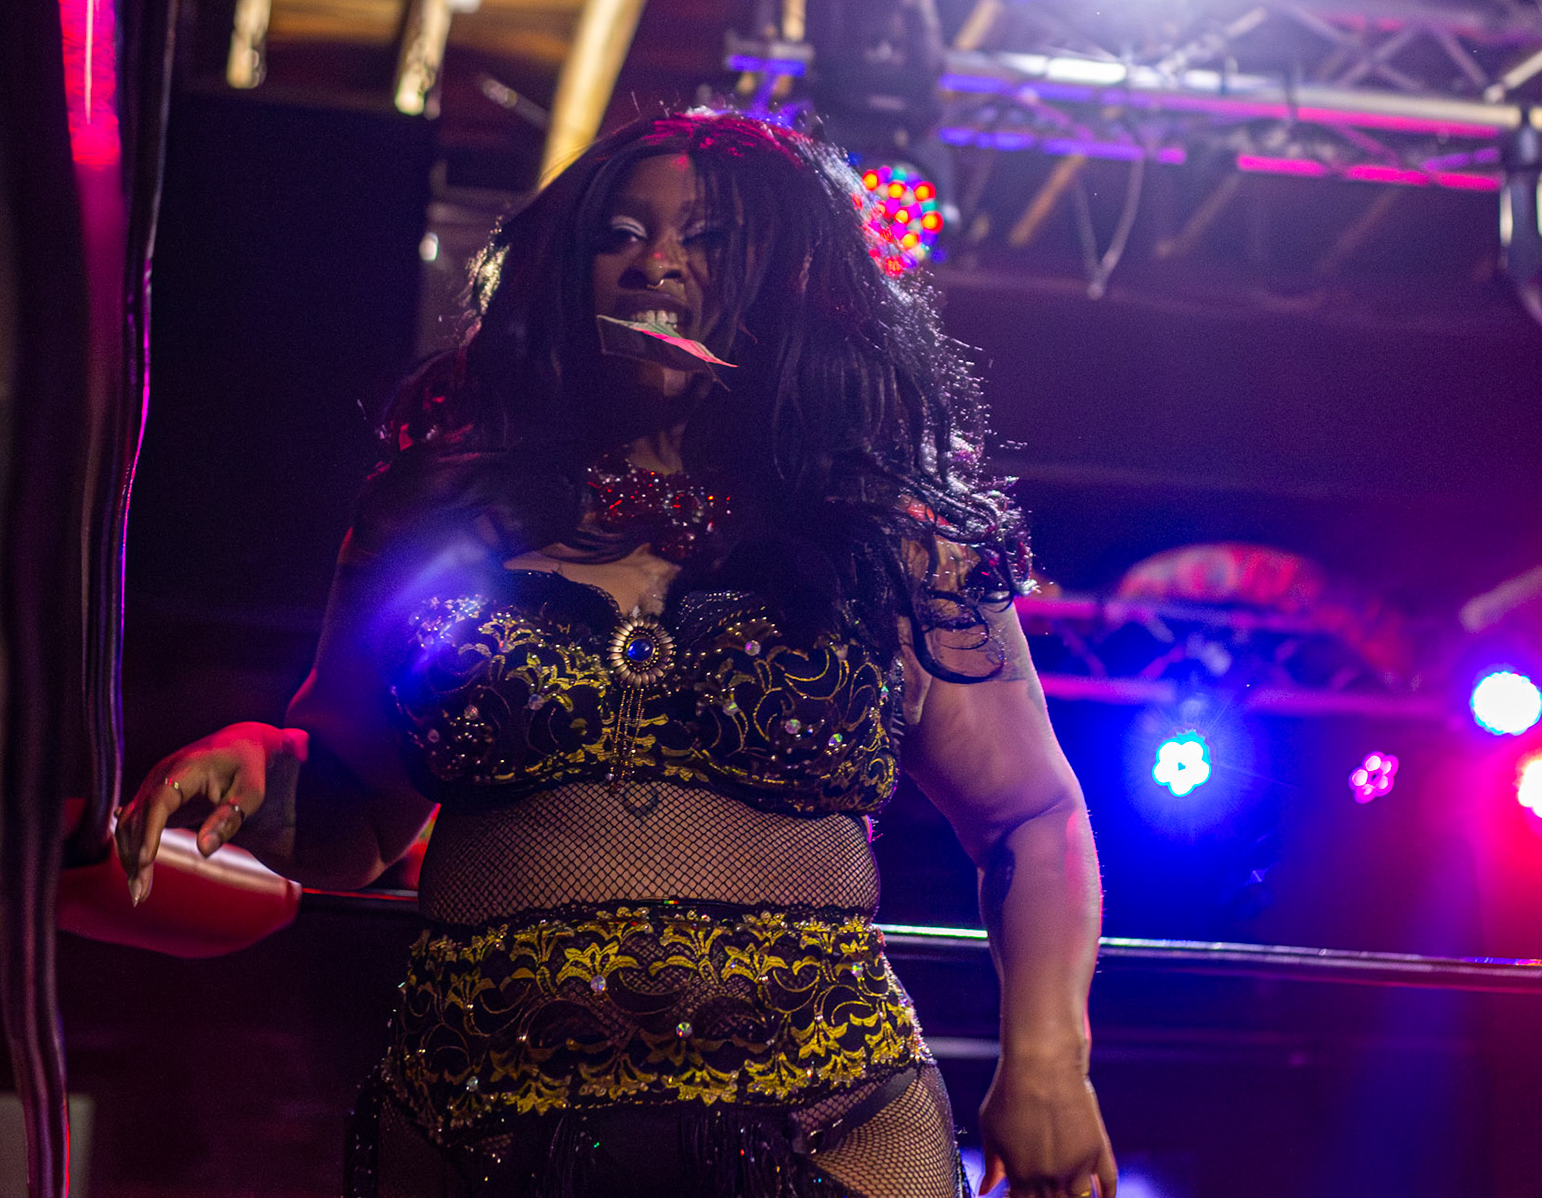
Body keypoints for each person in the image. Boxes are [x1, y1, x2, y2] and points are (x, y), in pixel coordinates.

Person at [115, 111, 1116, 1198]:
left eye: (709, 238)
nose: (656, 262)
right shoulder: (439, 519)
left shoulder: (892, 537)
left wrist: (1049, 1064)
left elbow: (1032, 814)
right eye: (622, 235)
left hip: (832, 1123)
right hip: (483, 1127)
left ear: (799, 283)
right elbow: (352, 820)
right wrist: (257, 759)